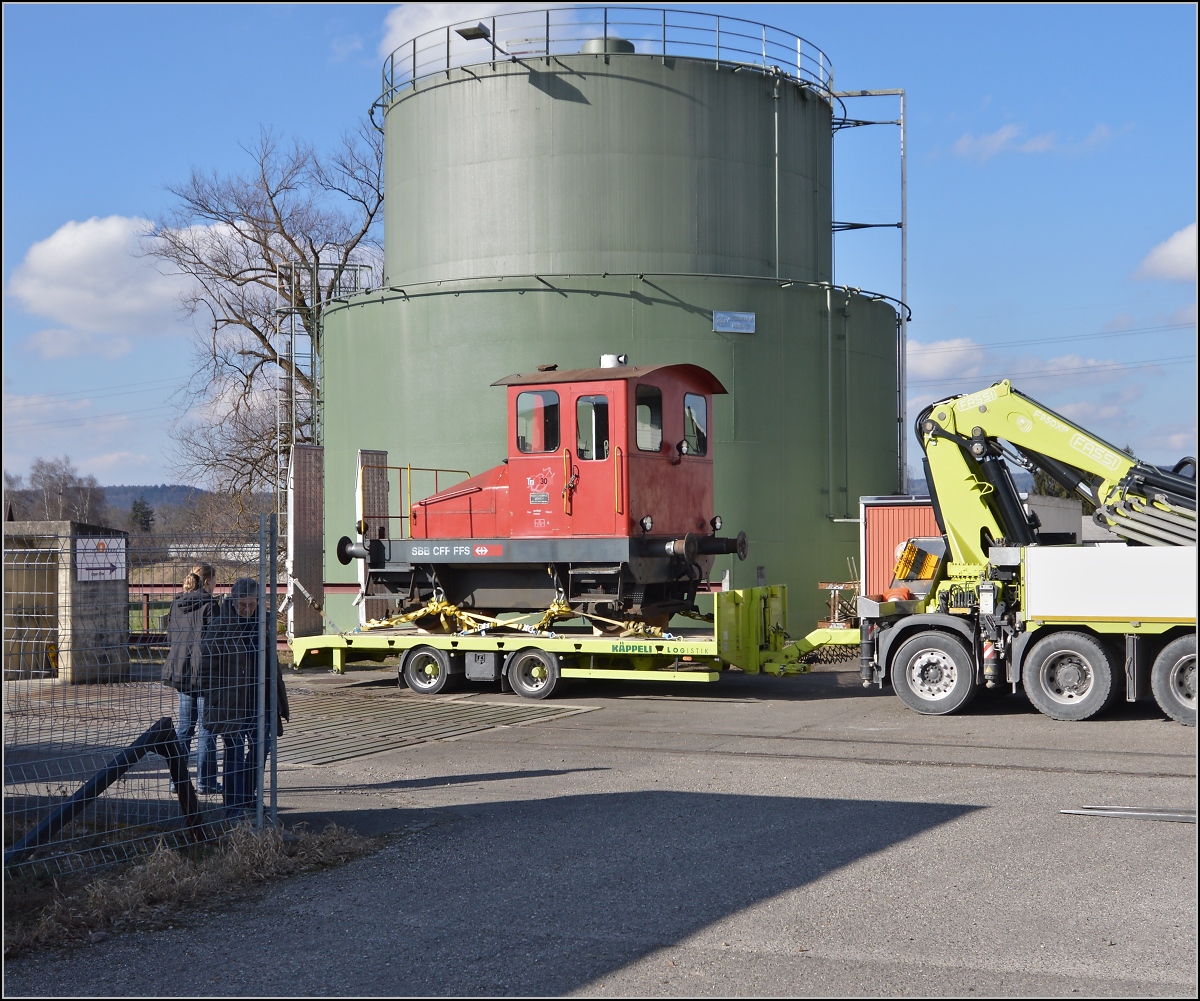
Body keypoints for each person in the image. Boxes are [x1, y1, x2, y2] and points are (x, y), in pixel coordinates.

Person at [203, 577, 289, 818]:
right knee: (234, 749)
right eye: (243, 605)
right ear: (233, 601)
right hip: (230, 698)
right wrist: (215, 693)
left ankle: (248, 797)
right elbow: (206, 662)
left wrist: (278, 698)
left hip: (260, 696)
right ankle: (233, 805)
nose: (247, 610)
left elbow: (273, 662)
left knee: (263, 745)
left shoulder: (264, 621)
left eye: (251, 605)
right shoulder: (221, 625)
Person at [161, 562, 220, 794]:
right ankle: (206, 781)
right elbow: (216, 641)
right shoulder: (210, 605)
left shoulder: (176, 604)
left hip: (181, 671)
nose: (216, 585)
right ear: (207, 582)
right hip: (204, 673)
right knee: (207, 729)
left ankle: (178, 780)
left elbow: (170, 636)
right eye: (215, 581)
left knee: (185, 728)